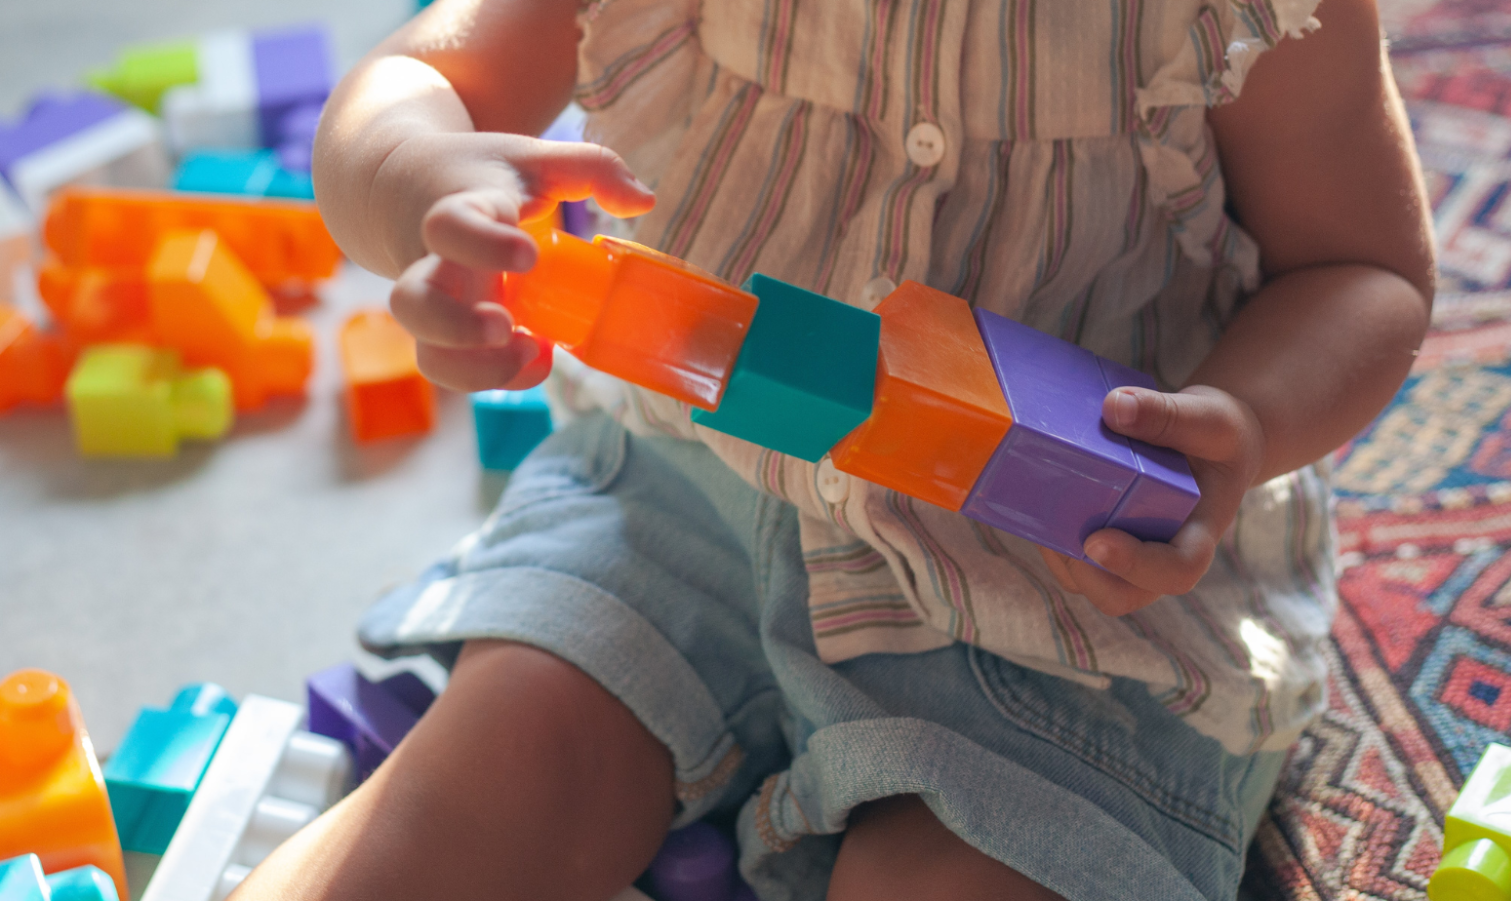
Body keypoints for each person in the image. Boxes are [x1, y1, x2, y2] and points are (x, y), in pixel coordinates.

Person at [244, 0, 1435, 896]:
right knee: (486, 784)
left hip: (1067, 580)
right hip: (683, 491)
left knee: (981, 864)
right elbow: (415, 81)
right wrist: (418, 179)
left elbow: (1361, 269)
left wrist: (1243, 425)